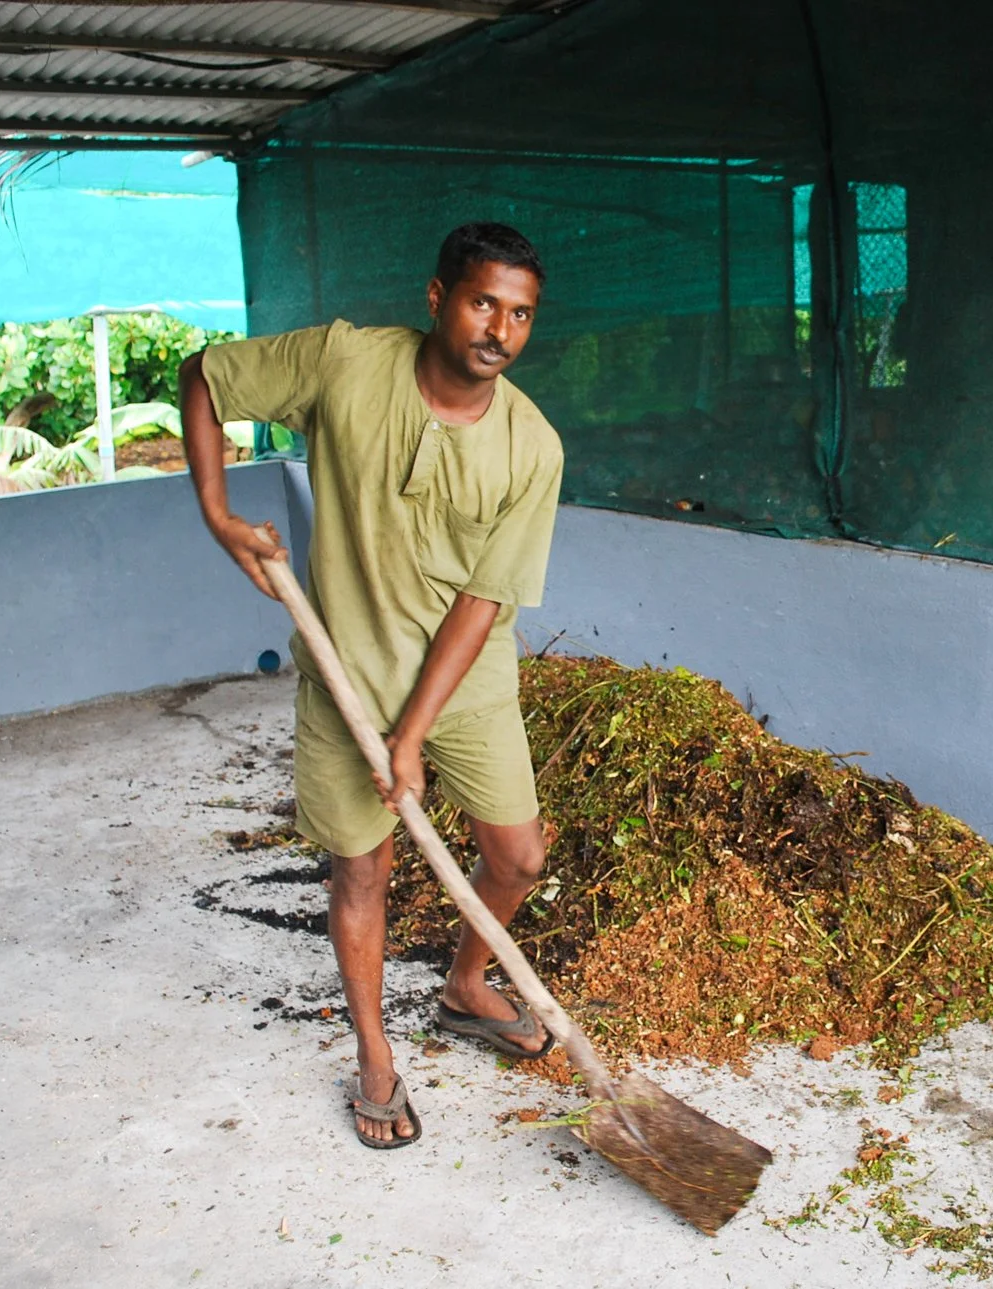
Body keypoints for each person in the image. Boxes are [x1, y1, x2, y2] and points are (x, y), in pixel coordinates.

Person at [178, 222, 564, 1148]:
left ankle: (467, 986)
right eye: (483, 303)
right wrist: (217, 510)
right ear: (438, 299)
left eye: (520, 315)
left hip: (464, 681)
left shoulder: (532, 446)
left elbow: (480, 603)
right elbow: (205, 375)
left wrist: (412, 733)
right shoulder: (344, 363)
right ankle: (375, 1053)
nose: (499, 330)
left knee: (518, 857)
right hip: (345, 670)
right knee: (363, 866)